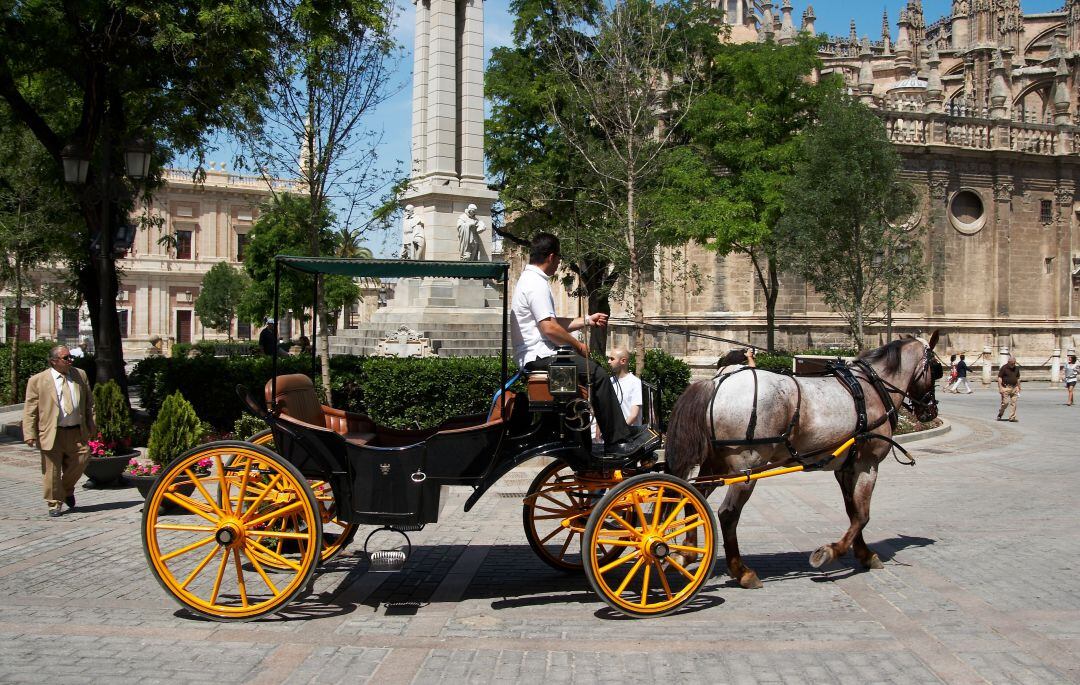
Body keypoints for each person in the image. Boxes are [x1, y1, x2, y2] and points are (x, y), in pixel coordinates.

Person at [512, 232, 657, 459]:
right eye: (559, 259)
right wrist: (578, 345)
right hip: (539, 356)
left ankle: (618, 432)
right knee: (598, 375)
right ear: (551, 257)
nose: (559, 264)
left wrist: (587, 320)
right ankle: (616, 441)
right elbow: (549, 328)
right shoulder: (536, 283)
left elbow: (551, 322)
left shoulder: (529, 280)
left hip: (538, 354)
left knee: (594, 374)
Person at [22, 345, 97, 517]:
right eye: (66, 358)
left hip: (76, 431)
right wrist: (29, 433)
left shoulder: (80, 375)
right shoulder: (38, 380)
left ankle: (66, 489)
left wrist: (92, 425)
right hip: (51, 432)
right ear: (54, 361)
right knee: (52, 471)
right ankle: (54, 503)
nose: (70, 360)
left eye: (71, 357)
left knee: (82, 459)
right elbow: (30, 409)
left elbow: (89, 403)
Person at [996, 355, 1021, 422]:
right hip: (1006, 387)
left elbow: (1018, 378)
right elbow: (999, 378)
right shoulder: (1004, 368)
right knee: (1005, 403)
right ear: (1008, 362)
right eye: (1012, 363)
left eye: (1014, 363)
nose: (1013, 364)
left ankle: (1012, 417)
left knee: (1014, 403)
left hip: (1014, 387)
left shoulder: (1016, 368)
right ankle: (1000, 413)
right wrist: (1000, 388)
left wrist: (1019, 387)